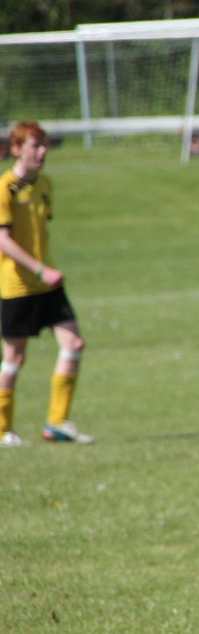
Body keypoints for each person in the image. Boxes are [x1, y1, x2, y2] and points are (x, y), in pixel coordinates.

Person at [0, 121, 92, 447]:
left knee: (74, 343)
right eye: (35, 146)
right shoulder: (6, 188)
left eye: (44, 146)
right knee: (14, 358)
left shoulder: (45, 184)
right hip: (17, 285)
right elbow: (3, 240)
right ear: (16, 149)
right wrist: (40, 269)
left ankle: (57, 423)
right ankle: (3, 430)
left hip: (47, 283)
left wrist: (45, 270)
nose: (42, 152)